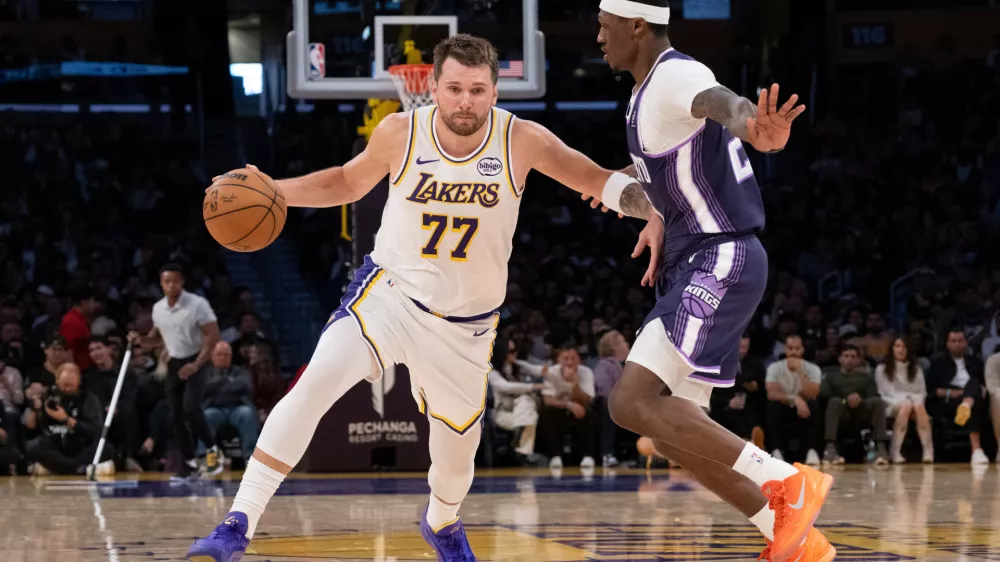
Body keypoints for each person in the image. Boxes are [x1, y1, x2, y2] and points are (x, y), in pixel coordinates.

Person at [187, 33, 660, 562]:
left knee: (456, 463)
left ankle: (442, 523)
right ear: (432, 86)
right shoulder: (400, 131)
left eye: (478, 90)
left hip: (467, 327)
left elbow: (599, 181)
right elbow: (347, 181)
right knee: (312, 386)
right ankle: (236, 524)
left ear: (495, 92)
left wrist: (660, 210)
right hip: (389, 296)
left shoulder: (522, 140)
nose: (465, 100)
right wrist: (276, 188)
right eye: (454, 87)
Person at [592, 1, 834, 560]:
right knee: (677, 432)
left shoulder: (675, 74)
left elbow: (720, 102)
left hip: (720, 255)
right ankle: (789, 537)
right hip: (694, 261)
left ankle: (786, 481)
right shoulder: (642, 93)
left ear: (636, 26)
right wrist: (629, 196)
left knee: (629, 404)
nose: (598, 39)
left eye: (604, 29)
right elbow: (670, 173)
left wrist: (754, 124)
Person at [130, 263, 223, 480]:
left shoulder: (197, 304)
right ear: (161, 284)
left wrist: (197, 364)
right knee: (176, 414)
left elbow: (213, 335)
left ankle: (212, 452)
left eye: (175, 280)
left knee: (191, 406)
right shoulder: (158, 309)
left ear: (182, 282)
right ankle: (189, 464)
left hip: (198, 359)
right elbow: (155, 339)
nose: (171, 285)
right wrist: (139, 338)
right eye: (166, 281)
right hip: (174, 360)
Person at [875, 337, 932, 463]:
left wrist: (912, 401)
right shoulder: (882, 368)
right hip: (890, 403)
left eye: (904, 347)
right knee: (905, 406)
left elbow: (921, 392)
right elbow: (884, 392)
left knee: (919, 406)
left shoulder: (916, 368)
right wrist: (905, 400)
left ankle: (928, 450)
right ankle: (895, 451)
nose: (900, 350)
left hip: (913, 403)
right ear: (892, 349)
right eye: (897, 346)